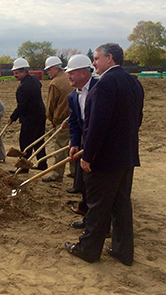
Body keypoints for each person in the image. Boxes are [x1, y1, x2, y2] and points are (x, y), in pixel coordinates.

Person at [65, 43, 144, 266]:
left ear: (110, 58)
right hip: (126, 156)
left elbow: (97, 125)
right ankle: (122, 250)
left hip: (105, 160)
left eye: (97, 58)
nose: (94, 63)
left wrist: (88, 155)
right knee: (121, 205)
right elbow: (137, 119)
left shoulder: (105, 84)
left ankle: (88, 249)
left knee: (98, 206)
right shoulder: (134, 82)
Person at [64, 54, 98, 229]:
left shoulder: (99, 89)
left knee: (97, 185)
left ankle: (100, 224)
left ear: (84, 73)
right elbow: (75, 122)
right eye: (68, 73)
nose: (68, 76)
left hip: (100, 144)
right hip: (86, 141)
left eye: (72, 73)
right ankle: (87, 216)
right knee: (86, 181)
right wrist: (75, 142)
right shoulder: (72, 96)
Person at [7, 57, 47, 174]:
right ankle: (42, 164)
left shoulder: (22, 87)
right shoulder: (34, 78)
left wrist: (12, 118)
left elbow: (21, 106)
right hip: (40, 114)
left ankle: (23, 167)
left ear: (24, 71)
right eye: (14, 73)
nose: (15, 75)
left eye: (17, 73)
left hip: (30, 118)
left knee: (25, 143)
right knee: (39, 140)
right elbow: (39, 87)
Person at [42, 56, 75, 183]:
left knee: (60, 147)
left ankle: (56, 175)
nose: (48, 72)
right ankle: (74, 172)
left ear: (56, 68)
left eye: (49, 70)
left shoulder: (55, 83)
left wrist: (52, 120)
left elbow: (51, 105)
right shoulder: (69, 78)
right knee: (75, 144)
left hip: (63, 119)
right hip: (75, 118)